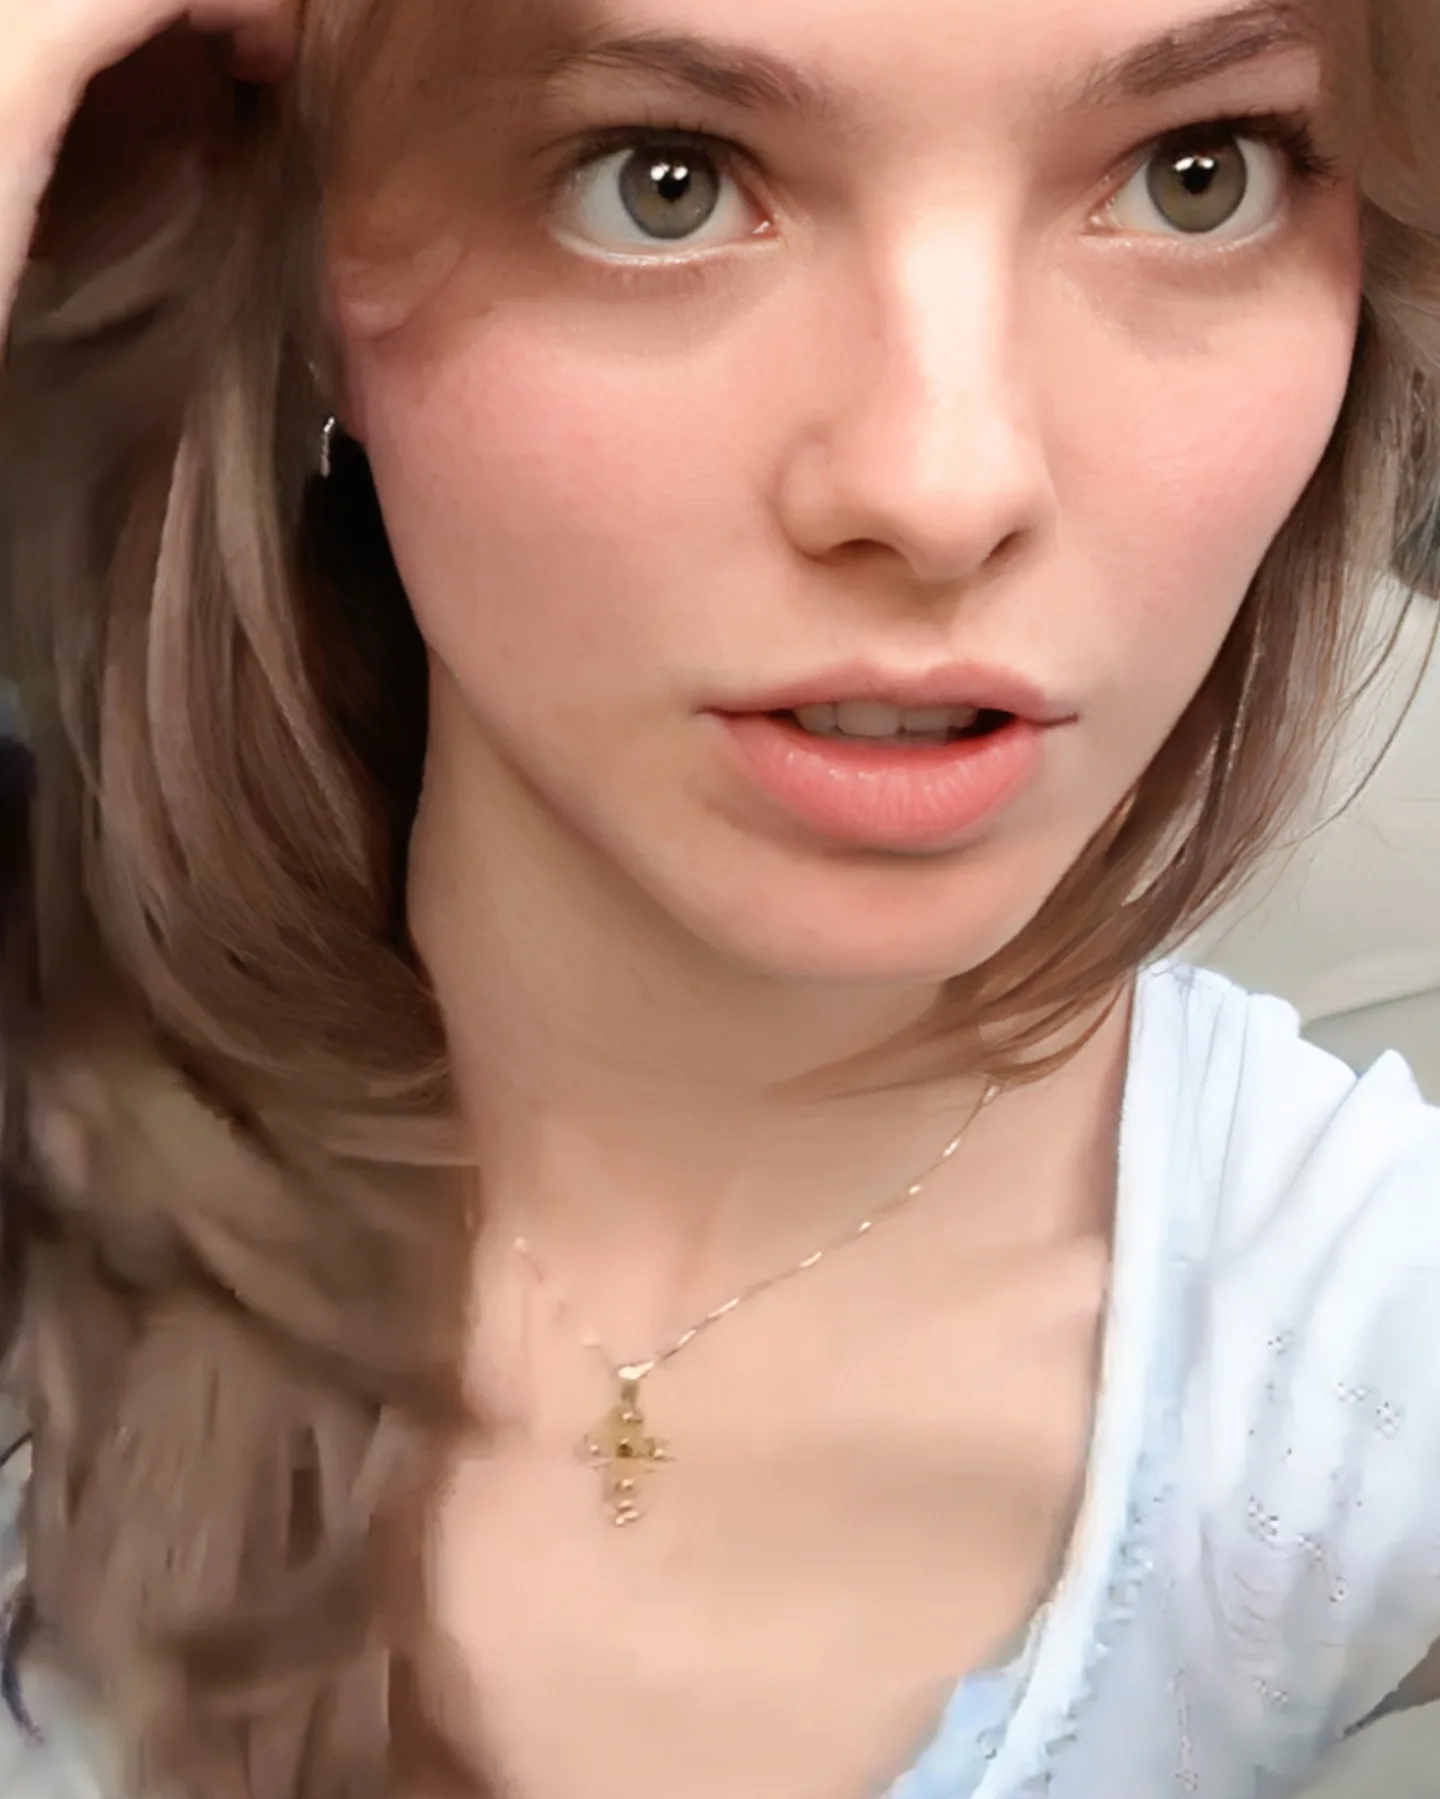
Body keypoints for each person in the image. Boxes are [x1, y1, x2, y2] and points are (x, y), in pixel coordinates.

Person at [1, 0, 1439, 1795]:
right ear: (297, 256)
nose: (943, 486)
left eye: (1192, 177)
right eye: (660, 181)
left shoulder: (1367, 1356)